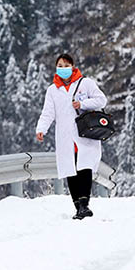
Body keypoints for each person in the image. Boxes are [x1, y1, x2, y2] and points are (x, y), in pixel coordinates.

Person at [35, 53, 108, 219]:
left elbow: (101, 100)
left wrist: (83, 104)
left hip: (84, 134)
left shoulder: (86, 83)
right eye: (59, 66)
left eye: (66, 65)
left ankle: (84, 205)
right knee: (71, 170)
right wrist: (41, 129)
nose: (63, 69)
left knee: (85, 168)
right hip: (65, 136)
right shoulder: (52, 90)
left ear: (73, 67)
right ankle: (78, 207)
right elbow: (48, 113)